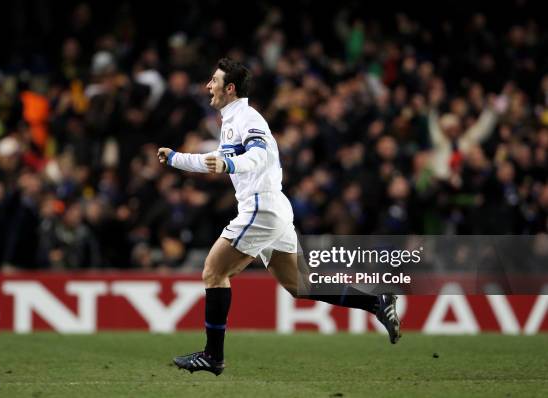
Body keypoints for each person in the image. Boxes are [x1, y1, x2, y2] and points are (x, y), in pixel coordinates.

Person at [158, 58, 401, 376]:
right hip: (273, 208)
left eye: (213, 80)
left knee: (213, 272)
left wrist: (229, 165)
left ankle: (212, 355)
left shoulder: (247, 117)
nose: (208, 86)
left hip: (261, 206)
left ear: (229, 88)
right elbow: (216, 160)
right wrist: (176, 158)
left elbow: (257, 156)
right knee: (300, 284)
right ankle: (376, 302)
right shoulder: (232, 120)